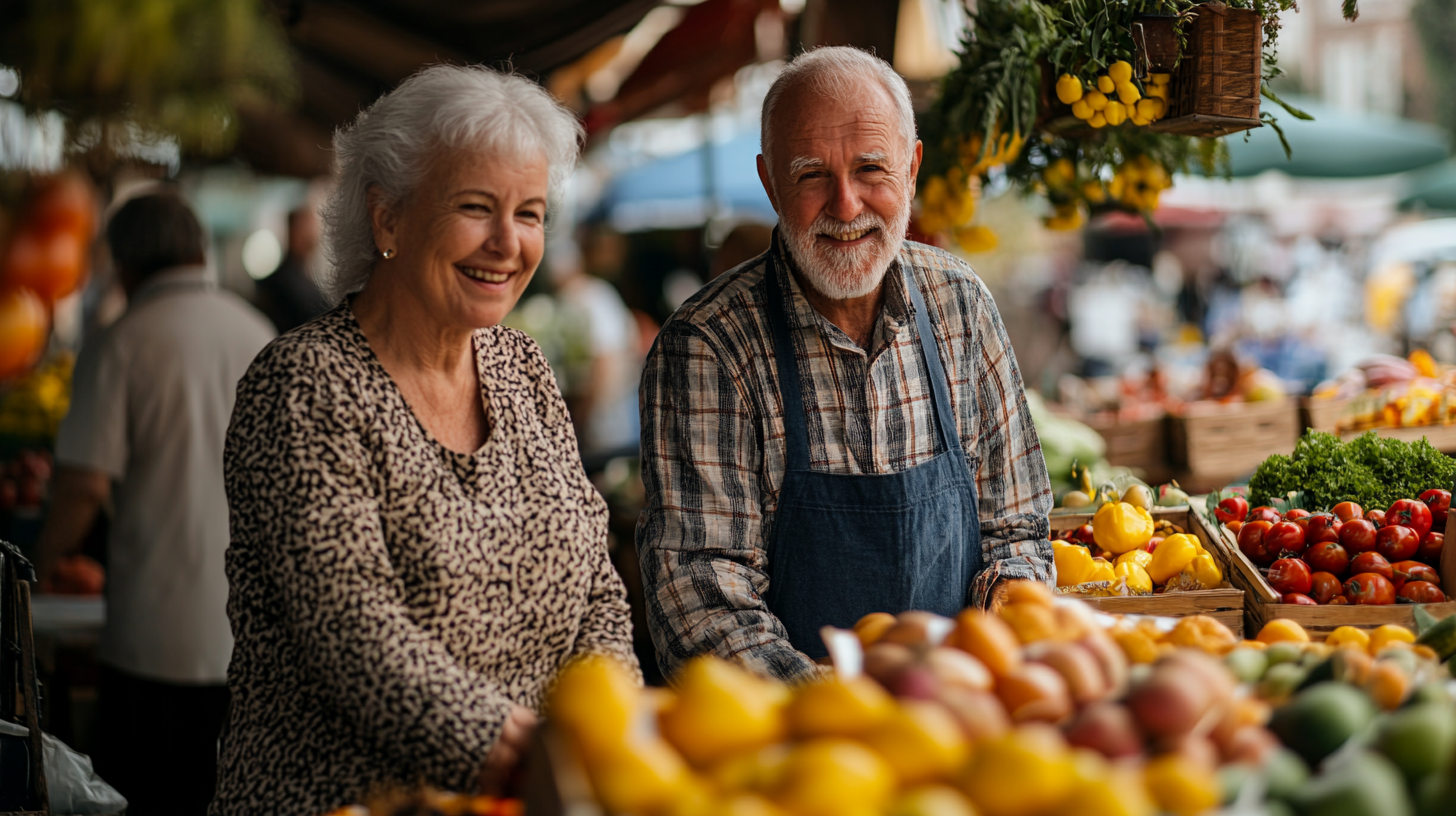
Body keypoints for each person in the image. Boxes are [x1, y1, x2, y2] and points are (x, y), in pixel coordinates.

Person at [212, 65, 638, 816]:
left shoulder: (522, 366)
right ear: (388, 219)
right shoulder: (304, 385)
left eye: (531, 213)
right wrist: (531, 756)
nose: (508, 243)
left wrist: (609, 730)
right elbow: (356, 636)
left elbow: (598, 587)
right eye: (477, 207)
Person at [637, 47, 1054, 684]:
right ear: (770, 182)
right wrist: (844, 711)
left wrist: (992, 648)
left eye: (870, 169)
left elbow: (1019, 529)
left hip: (965, 722)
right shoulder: (708, 345)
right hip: (793, 752)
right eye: (810, 175)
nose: (847, 205)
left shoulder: (961, 306)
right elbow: (699, 601)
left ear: (912, 169)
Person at [35, 190, 276, 815]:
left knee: (144, 801)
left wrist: (34, 576)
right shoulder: (261, 333)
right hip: (250, 637)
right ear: (198, 250)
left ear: (124, 263)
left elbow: (82, 485)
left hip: (151, 640)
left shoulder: (120, 341)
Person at [547, 240, 642, 456]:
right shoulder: (594, 293)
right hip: (611, 413)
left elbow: (605, 359)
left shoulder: (586, 298)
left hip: (606, 423)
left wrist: (583, 417)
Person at [255, 206, 327, 333]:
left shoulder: (301, 278)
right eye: (309, 228)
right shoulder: (283, 282)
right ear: (294, 231)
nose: (315, 235)